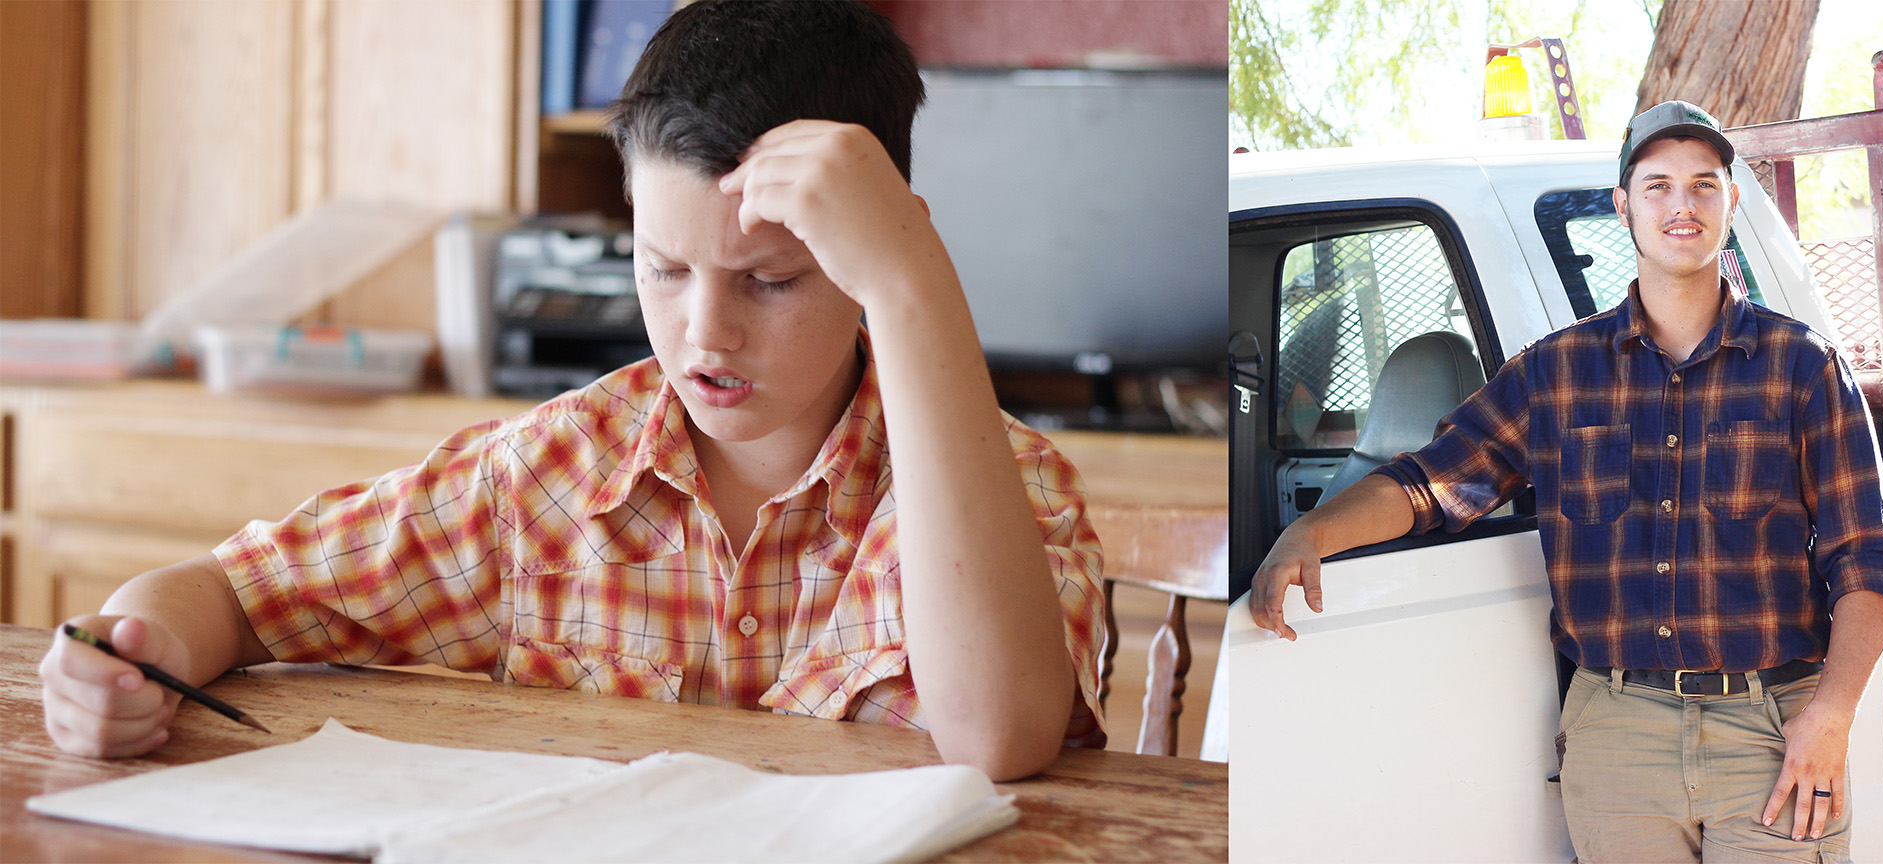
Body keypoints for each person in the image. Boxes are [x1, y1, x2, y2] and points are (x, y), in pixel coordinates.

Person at [40, 0, 1105, 782]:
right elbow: (230, 594)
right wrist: (127, 655)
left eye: (770, 281)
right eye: (662, 268)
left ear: (879, 253)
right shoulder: (544, 478)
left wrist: (915, 282)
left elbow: (1001, 734)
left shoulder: (1008, 482)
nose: (706, 332)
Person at [1248, 100, 1883, 862]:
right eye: (1657, 185)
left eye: (1703, 184)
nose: (1681, 205)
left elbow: (1865, 563)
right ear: (1622, 205)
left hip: (1769, 728)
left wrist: (1829, 717)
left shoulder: (1805, 368)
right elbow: (1432, 484)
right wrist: (1311, 531)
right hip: (1616, 733)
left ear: (1730, 200)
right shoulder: (1554, 373)